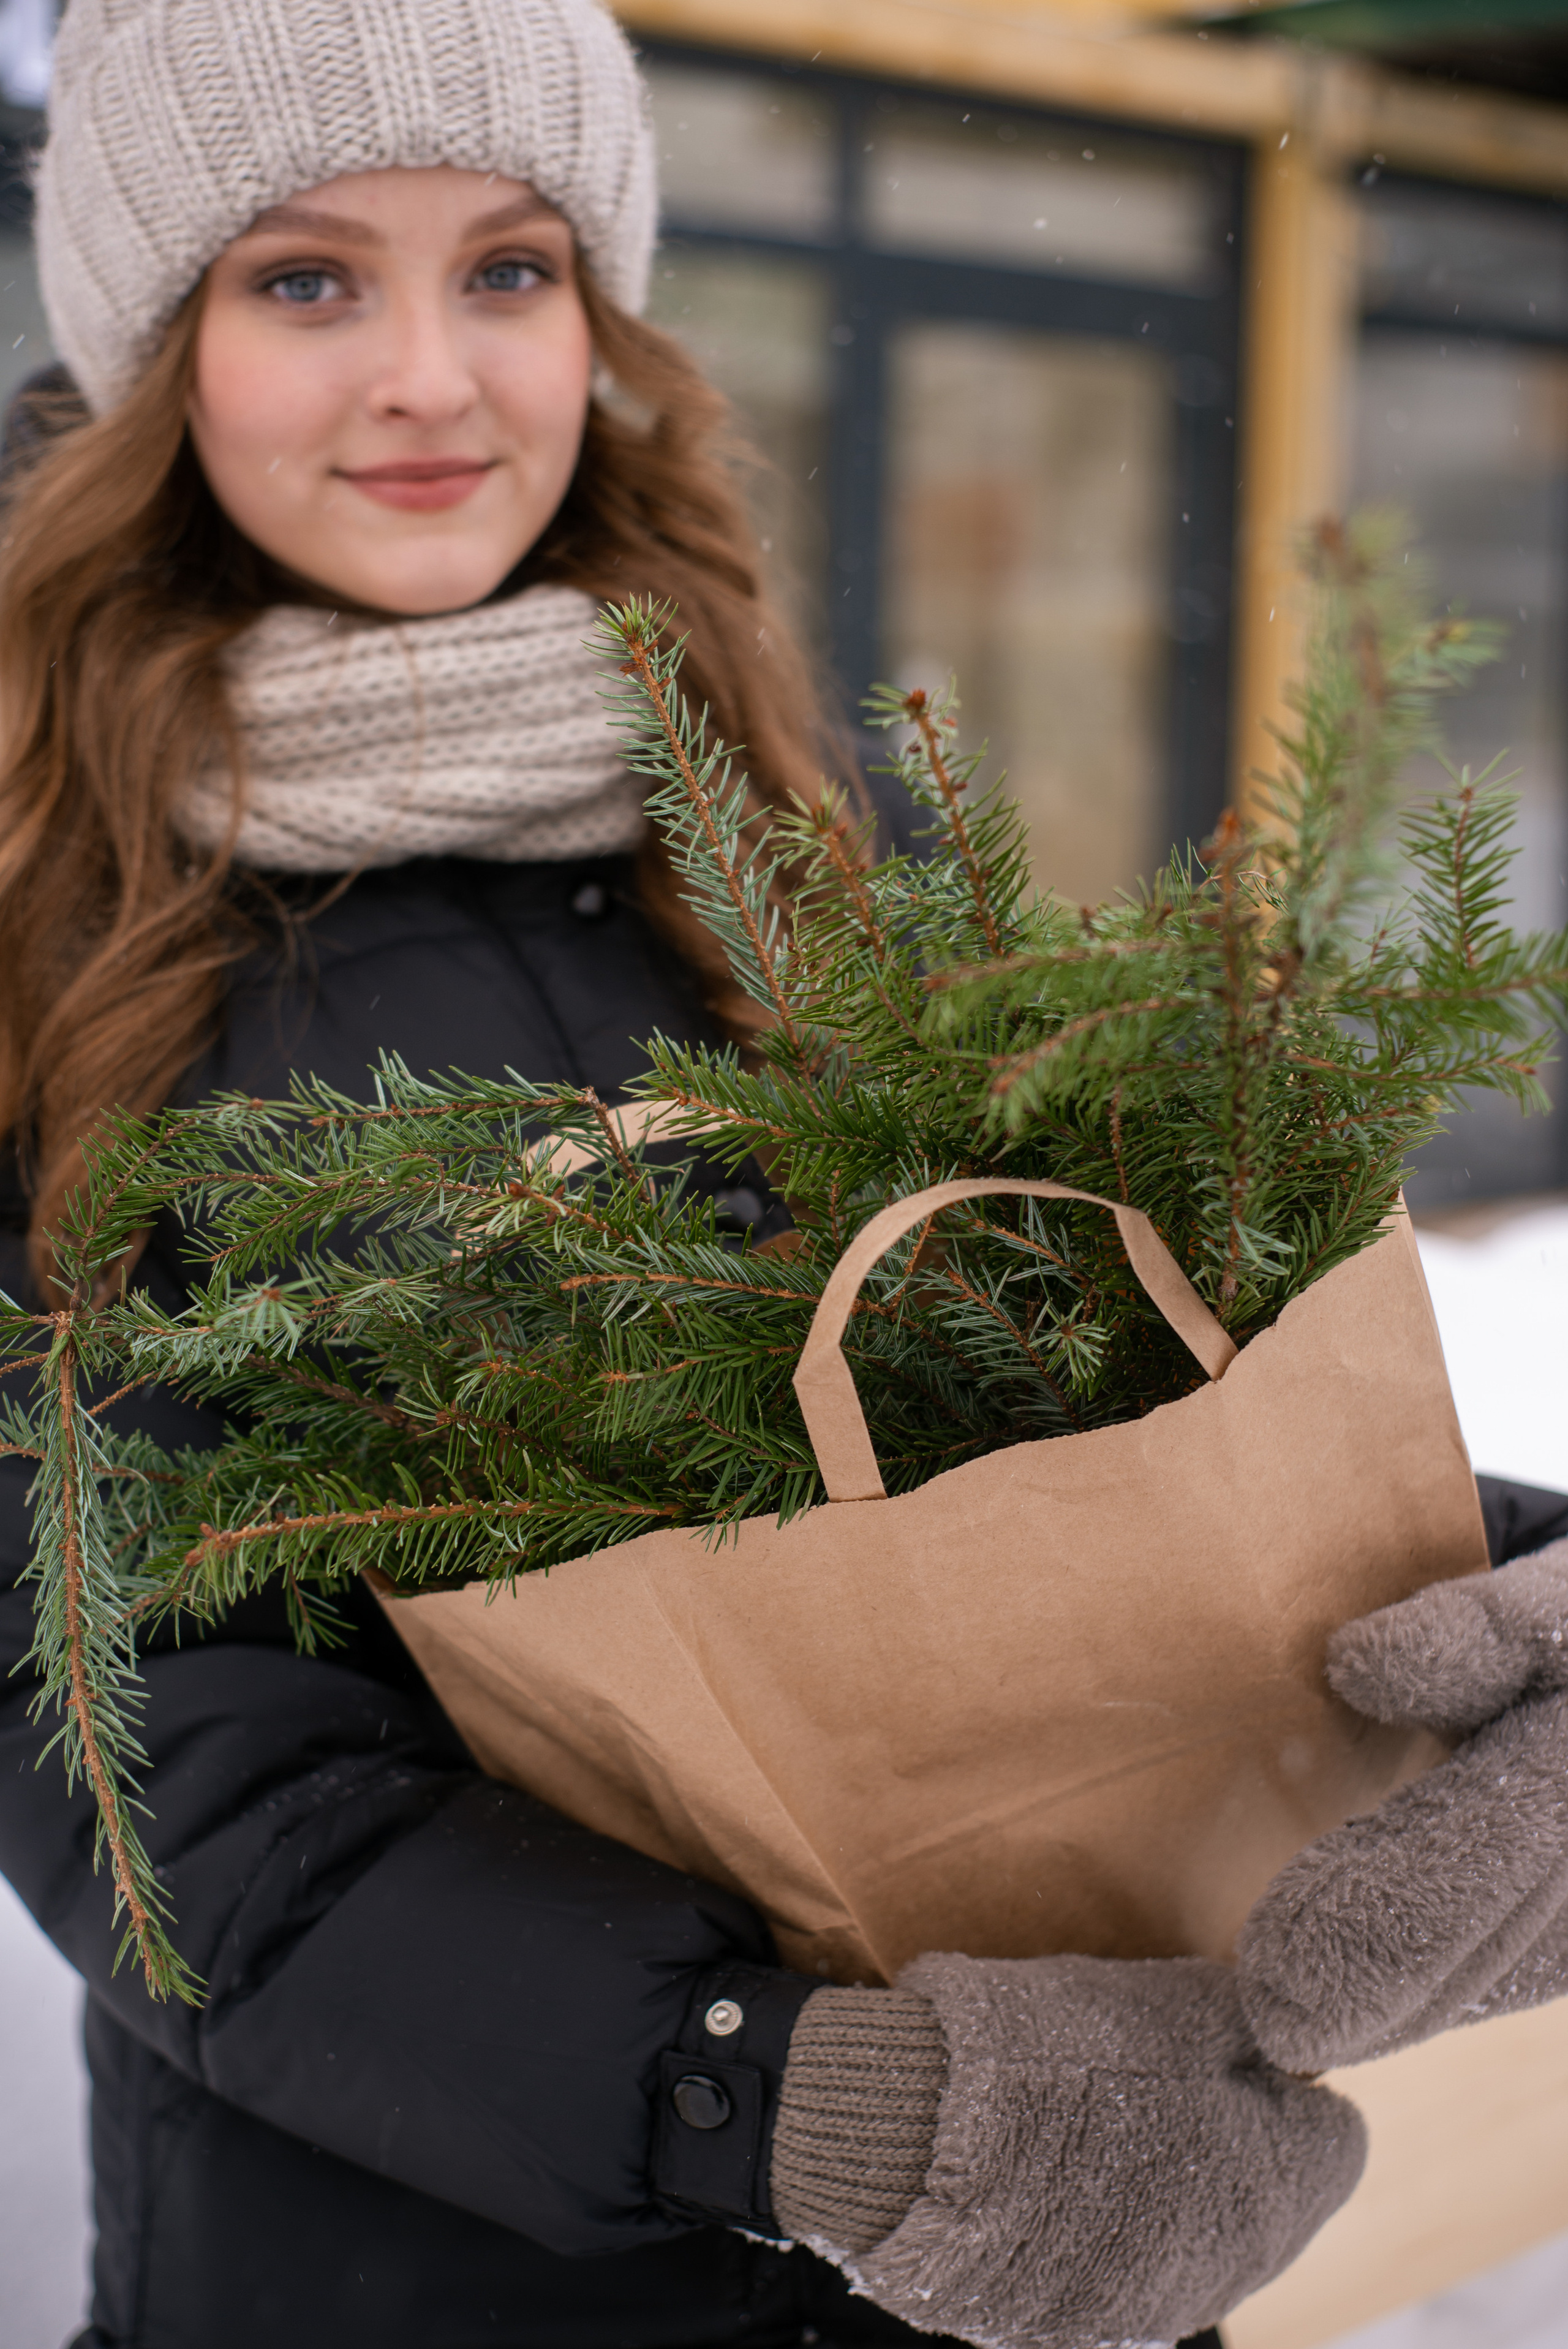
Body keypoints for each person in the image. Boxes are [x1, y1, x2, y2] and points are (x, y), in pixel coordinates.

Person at [4, 6, 1568, 2348]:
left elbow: (1072, 1402)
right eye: (305, 279)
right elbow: (141, 1760)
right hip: (420, 2279)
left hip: (1054, 2220)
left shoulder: (802, 809)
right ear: (155, 352)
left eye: (510, 269)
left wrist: (1497, 1598)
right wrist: (762, 2088)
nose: (430, 376)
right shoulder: (47, 914)